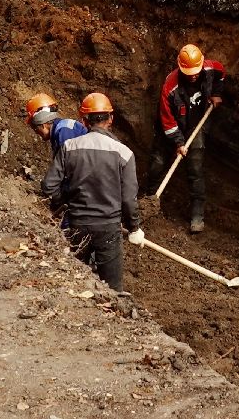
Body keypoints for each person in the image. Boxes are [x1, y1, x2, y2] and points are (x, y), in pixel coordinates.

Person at [45, 92, 143, 292]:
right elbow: (128, 199)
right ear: (111, 118)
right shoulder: (124, 153)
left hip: (77, 225)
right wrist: (134, 228)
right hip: (108, 228)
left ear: (83, 120)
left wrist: (63, 203)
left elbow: (48, 186)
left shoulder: (69, 147)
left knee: (76, 284)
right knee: (113, 289)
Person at [155, 43, 227, 234]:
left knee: (195, 170)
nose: (193, 75)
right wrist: (179, 142)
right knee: (158, 163)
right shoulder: (170, 86)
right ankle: (148, 200)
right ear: (180, 67)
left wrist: (216, 93)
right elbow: (167, 120)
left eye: (196, 71)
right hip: (172, 128)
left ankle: (197, 215)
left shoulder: (211, 68)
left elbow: (221, 74)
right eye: (189, 72)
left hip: (196, 126)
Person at [25, 93, 86, 201]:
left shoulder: (64, 132)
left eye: (35, 129)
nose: (36, 133)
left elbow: (71, 169)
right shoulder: (62, 129)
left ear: (43, 125)